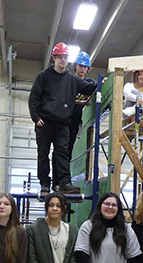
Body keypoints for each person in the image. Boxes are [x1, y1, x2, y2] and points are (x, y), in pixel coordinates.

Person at [28, 42, 97, 195]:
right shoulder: (43, 76)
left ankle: (64, 182)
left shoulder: (72, 80)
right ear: (54, 58)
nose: (63, 60)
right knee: (43, 153)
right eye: (60, 57)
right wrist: (36, 117)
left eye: (65, 57)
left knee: (62, 154)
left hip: (63, 124)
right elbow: (34, 99)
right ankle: (45, 183)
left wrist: (101, 83)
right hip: (44, 123)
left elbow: (88, 87)